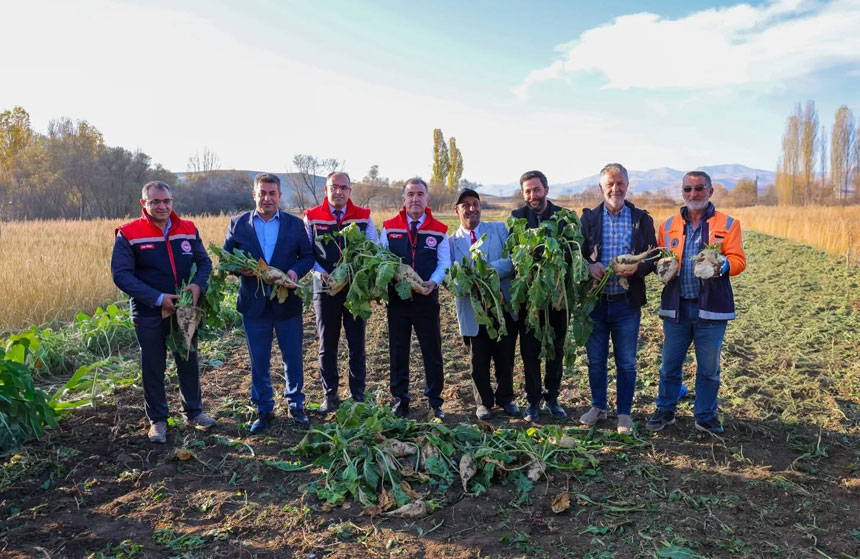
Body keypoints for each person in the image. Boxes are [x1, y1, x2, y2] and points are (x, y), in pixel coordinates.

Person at [111, 181, 216, 443]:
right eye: (155, 201)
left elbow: (204, 262)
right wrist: (158, 299)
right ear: (143, 203)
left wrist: (197, 286)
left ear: (172, 202)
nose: (162, 206)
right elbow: (121, 275)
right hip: (149, 312)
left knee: (188, 360)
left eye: (166, 201)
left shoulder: (188, 229)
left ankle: (193, 412)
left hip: (185, 308)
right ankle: (158, 420)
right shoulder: (129, 233)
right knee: (153, 366)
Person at [646, 170, 746, 435]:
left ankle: (705, 416)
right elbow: (660, 258)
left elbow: (739, 261)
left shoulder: (728, 224)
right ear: (682, 193)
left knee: (709, 369)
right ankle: (665, 411)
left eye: (699, 188)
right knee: (669, 365)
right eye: (688, 189)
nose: (693, 194)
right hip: (676, 307)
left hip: (711, 310)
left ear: (710, 191)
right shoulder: (667, 226)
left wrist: (723, 264)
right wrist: (662, 267)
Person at [223, 173, 313, 433]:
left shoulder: (295, 225)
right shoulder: (239, 224)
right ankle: (264, 409)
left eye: (272, 193)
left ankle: (296, 405)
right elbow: (227, 260)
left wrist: (295, 272)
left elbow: (306, 257)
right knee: (259, 360)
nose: (267, 198)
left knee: (293, 357)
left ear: (279, 196)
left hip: (287, 304)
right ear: (254, 195)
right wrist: (242, 270)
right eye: (262, 193)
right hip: (254, 306)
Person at [579, 163, 657, 434]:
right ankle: (598, 406)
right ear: (601, 187)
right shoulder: (588, 219)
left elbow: (654, 255)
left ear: (627, 184)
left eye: (620, 183)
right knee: (596, 360)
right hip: (596, 303)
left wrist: (639, 268)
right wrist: (589, 267)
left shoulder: (641, 218)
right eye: (610, 184)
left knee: (626, 361)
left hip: (626, 303)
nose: (615, 188)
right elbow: (577, 255)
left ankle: (624, 412)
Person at [304, 172, 378, 413]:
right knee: (327, 343)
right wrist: (319, 272)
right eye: (333, 187)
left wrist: (357, 271)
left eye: (343, 188)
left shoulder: (364, 217)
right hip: (324, 288)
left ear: (350, 191)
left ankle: (358, 394)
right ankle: (330, 394)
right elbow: (306, 252)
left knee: (357, 342)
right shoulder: (312, 217)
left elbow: (373, 248)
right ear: (326, 189)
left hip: (355, 289)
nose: (338, 192)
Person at [381, 178, 450, 419]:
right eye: (410, 194)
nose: (415, 199)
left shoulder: (439, 229)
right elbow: (381, 260)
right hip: (397, 301)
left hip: (426, 300)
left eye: (420, 194)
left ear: (427, 198)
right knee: (398, 351)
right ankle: (400, 400)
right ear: (403, 200)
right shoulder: (389, 227)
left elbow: (444, 262)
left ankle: (435, 401)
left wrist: (434, 281)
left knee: (432, 351)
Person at [449, 188, 520, 420]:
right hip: (472, 310)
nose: (471, 208)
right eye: (465, 205)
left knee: (505, 356)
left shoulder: (499, 229)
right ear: (456, 211)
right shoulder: (451, 243)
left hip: (502, 308)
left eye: (475, 203)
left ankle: (506, 398)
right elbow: (452, 280)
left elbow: (512, 261)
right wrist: (470, 281)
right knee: (477, 359)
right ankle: (483, 403)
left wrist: (485, 273)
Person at [511, 170, 569, 422]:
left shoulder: (563, 217)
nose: (532, 195)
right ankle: (533, 401)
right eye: (527, 191)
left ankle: (552, 398)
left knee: (556, 349)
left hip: (557, 298)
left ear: (546, 189)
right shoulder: (517, 218)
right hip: (530, 298)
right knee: (530, 351)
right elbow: (514, 253)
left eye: (536, 189)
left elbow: (571, 253)